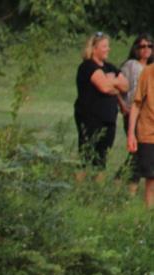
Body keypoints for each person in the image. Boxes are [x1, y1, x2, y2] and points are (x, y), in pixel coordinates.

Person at [74, 33, 128, 172]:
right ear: (94, 48)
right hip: (90, 118)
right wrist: (113, 83)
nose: (108, 49)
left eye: (108, 46)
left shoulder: (110, 67)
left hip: (108, 119)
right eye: (104, 46)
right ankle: (80, 189)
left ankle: (97, 188)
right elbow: (104, 87)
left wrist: (110, 81)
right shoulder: (87, 66)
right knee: (87, 156)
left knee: (102, 158)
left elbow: (125, 85)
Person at [119, 35, 153, 190]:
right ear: (136, 49)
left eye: (149, 46)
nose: (146, 49)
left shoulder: (149, 67)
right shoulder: (132, 65)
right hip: (137, 116)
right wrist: (123, 104)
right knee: (138, 156)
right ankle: (124, 183)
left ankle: (124, 183)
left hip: (146, 117)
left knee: (138, 157)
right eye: (142, 46)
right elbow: (119, 86)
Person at [127, 57, 154, 209]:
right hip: (148, 131)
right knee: (151, 178)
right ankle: (148, 214)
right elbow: (136, 104)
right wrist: (131, 134)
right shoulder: (148, 72)